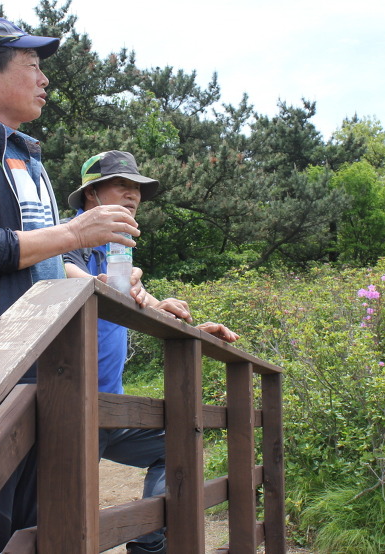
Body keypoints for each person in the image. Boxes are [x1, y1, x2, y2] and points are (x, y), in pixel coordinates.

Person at [0, 16, 141, 553]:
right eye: (32, 66)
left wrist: (108, 285)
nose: (45, 80)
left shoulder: (30, 160)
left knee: (36, 527)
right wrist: (75, 233)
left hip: (41, 368)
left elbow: (42, 263)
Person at [63, 150, 239, 554]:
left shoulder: (119, 248)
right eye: (121, 186)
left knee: (177, 445)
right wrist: (104, 282)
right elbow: (68, 274)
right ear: (91, 194)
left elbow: (141, 301)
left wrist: (186, 326)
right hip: (70, 407)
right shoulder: (67, 236)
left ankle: (148, 545)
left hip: (110, 407)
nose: (133, 195)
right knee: (58, 519)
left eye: (137, 189)